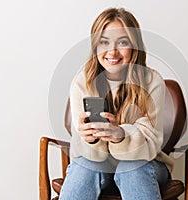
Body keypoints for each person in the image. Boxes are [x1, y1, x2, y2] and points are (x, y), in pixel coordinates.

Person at [59, 7, 175, 200]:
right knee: (84, 165)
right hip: (97, 164)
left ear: (134, 46)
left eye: (122, 42)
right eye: (104, 42)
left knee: (130, 167)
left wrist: (121, 135)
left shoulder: (152, 81)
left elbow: (151, 143)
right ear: (95, 46)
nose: (112, 51)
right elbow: (83, 149)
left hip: (146, 163)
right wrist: (90, 140)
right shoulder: (82, 82)